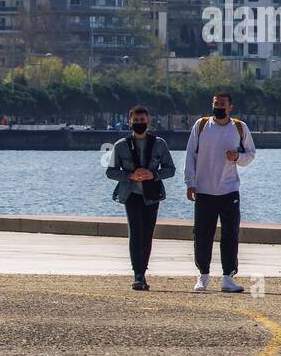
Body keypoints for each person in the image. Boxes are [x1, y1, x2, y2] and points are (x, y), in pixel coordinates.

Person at [184, 92, 256, 293]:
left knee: (230, 234)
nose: (219, 107)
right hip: (204, 190)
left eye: (223, 104)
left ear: (230, 107)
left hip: (229, 190)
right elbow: (190, 154)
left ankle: (228, 278)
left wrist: (237, 157)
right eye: (216, 103)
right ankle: (203, 276)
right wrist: (190, 183)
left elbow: (250, 154)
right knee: (202, 235)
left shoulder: (240, 128)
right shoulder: (201, 125)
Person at [106, 105, 175, 291]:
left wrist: (153, 174)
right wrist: (129, 176)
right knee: (135, 233)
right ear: (130, 122)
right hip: (131, 194)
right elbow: (110, 172)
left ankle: (142, 271)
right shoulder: (121, 145)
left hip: (152, 195)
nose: (139, 123)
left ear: (148, 121)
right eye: (136, 121)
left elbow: (170, 169)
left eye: (142, 120)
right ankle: (138, 275)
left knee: (147, 234)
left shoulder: (159, 144)